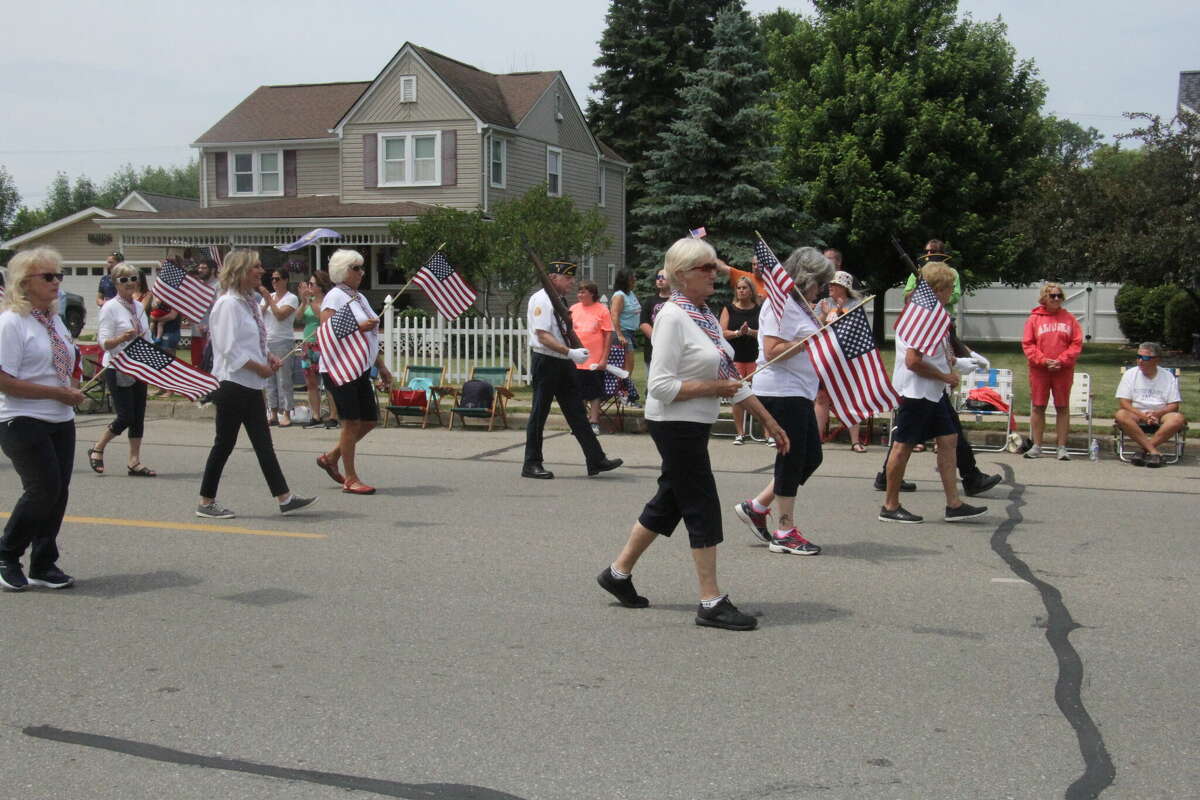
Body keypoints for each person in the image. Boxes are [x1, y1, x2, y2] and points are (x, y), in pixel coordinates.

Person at [596, 237, 789, 630]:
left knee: (669, 500)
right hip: (674, 424)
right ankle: (711, 601)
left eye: (713, 267)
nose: (714, 274)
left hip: (694, 422)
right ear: (681, 275)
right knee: (700, 503)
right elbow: (662, 386)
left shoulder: (702, 316)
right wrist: (716, 390)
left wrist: (767, 419)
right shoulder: (672, 317)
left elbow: (731, 378)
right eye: (705, 268)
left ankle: (617, 574)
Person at [196, 249, 317, 519]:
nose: (261, 271)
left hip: (250, 384)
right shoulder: (227, 304)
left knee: (263, 443)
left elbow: (252, 342)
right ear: (240, 271)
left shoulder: (248, 302)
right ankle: (206, 502)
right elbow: (228, 349)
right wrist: (260, 368)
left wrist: (269, 357)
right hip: (232, 383)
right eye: (256, 267)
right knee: (224, 444)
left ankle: (284, 497)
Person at [732, 247, 833, 556]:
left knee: (810, 458)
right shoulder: (779, 305)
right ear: (806, 279)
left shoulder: (801, 307)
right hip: (781, 391)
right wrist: (809, 341)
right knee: (791, 459)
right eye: (819, 283)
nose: (821, 289)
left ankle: (758, 506)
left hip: (799, 391)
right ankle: (785, 530)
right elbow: (773, 350)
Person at [0, 247, 85, 591]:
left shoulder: (53, 321)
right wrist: (55, 393)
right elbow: (4, 380)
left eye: (58, 276)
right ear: (24, 282)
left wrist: (72, 387)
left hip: (59, 416)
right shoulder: (11, 323)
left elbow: (69, 363)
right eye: (48, 276)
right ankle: (6, 554)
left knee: (59, 491)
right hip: (21, 417)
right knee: (43, 488)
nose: (56, 282)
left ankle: (43, 562)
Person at [878, 262, 986, 524]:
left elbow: (938, 354)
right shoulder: (922, 316)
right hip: (917, 392)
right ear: (939, 289)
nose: (952, 294)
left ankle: (954, 504)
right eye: (949, 288)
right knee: (902, 446)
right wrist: (945, 376)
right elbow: (913, 361)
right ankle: (890, 506)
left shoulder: (932, 314)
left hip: (933, 392)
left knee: (949, 440)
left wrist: (961, 363)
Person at [522, 261, 622, 480]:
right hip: (547, 361)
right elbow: (542, 335)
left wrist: (571, 353)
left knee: (576, 411)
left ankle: (595, 458)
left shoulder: (557, 299)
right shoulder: (542, 299)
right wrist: (570, 352)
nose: (572, 282)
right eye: (568, 278)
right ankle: (531, 463)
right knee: (539, 413)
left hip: (563, 362)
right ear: (553, 277)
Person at [315, 249, 393, 495]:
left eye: (361, 268)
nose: (361, 273)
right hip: (340, 368)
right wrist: (358, 326)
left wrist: (380, 366)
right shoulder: (335, 297)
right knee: (351, 422)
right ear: (342, 272)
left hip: (360, 368)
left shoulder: (359, 297)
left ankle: (331, 457)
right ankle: (350, 477)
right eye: (355, 268)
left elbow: (369, 337)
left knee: (369, 420)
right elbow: (326, 331)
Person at [90, 262, 157, 477]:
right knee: (125, 416)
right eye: (124, 279)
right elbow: (104, 343)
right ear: (115, 283)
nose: (130, 283)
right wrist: (121, 338)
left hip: (139, 366)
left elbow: (146, 335)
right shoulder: (110, 307)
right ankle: (98, 448)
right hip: (118, 365)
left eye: (133, 278)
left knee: (138, 416)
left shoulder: (138, 306)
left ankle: (134, 461)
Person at [1021, 281, 1083, 460]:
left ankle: (1062, 447)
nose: (1057, 299)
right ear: (1044, 298)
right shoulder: (1034, 319)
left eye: (1059, 296)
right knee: (1038, 406)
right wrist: (1042, 360)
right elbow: (1028, 343)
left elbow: (1076, 343)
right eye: (1052, 296)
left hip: (1063, 370)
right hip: (1039, 370)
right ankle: (1037, 445)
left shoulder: (1069, 318)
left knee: (1062, 407)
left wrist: (1062, 360)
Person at [813, 270, 866, 452]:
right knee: (821, 397)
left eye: (834, 285)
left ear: (843, 287)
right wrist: (825, 316)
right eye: (830, 284)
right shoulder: (823, 303)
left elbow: (853, 328)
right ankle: (816, 437)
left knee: (852, 397)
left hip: (847, 356)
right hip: (827, 355)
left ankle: (855, 441)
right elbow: (816, 327)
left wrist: (837, 312)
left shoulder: (855, 304)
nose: (830, 287)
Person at [1114, 341, 1186, 468]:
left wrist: (1157, 414)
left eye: (1145, 357)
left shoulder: (1168, 377)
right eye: (1138, 357)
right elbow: (1124, 402)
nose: (1140, 360)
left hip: (1161, 412)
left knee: (1177, 419)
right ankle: (1153, 452)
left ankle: (1143, 451)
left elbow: (1174, 405)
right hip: (1136, 412)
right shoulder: (1130, 374)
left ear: (1156, 359)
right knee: (1121, 415)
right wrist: (1143, 416)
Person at [719, 275, 760, 444]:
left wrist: (750, 331)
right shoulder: (729, 308)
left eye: (745, 288)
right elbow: (722, 332)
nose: (741, 290)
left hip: (754, 357)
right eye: (739, 288)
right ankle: (740, 433)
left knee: (759, 395)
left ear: (751, 291)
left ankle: (767, 433)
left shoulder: (758, 309)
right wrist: (738, 333)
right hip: (735, 358)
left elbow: (765, 333)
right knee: (737, 394)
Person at [569, 281, 612, 435]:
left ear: (592, 293)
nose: (580, 294)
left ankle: (594, 422)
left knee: (594, 393)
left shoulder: (602, 310)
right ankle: (580, 423)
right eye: (579, 292)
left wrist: (604, 359)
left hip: (594, 360)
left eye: (583, 292)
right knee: (577, 393)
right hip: (576, 359)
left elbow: (608, 335)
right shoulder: (573, 309)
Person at [298, 271, 338, 429]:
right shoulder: (308, 301)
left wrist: (310, 302)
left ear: (320, 286)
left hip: (323, 344)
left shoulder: (327, 301)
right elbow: (299, 317)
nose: (309, 287)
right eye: (308, 284)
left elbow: (320, 315)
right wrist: (303, 302)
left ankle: (333, 414)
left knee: (328, 381)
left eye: (312, 284)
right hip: (308, 343)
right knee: (311, 381)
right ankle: (315, 414)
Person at [260, 268, 299, 427]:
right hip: (267, 341)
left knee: (284, 379)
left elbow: (280, 315)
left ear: (285, 280)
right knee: (269, 379)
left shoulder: (292, 298)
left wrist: (269, 298)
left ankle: (287, 413)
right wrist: (267, 300)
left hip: (283, 341)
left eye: (277, 279)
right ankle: (273, 412)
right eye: (272, 279)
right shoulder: (268, 298)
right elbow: (259, 315)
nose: (274, 282)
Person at [608, 269, 641, 406]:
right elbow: (614, 315)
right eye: (632, 279)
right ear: (625, 280)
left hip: (630, 333)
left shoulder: (630, 294)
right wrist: (620, 334)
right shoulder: (619, 295)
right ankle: (625, 396)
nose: (635, 281)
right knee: (627, 367)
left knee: (629, 367)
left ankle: (625, 395)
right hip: (622, 334)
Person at [638, 268, 671, 367]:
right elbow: (643, 323)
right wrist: (657, 339)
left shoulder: (678, 300)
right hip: (652, 350)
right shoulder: (650, 301)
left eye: (664, 278)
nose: (660, 280)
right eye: (658, 277)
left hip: (672, 350)